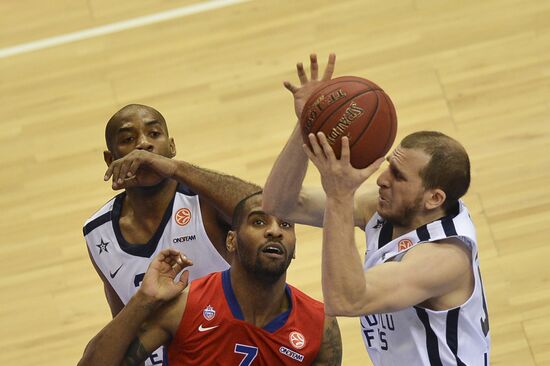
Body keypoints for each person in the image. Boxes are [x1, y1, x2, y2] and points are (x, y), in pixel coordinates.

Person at [263, 54, 491, 365]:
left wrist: (339, 196)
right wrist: (308, 124)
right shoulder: (387, 206)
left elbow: (346, 299)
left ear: (434, 198)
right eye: (389, 167)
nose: (382, 180)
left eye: (398, 176)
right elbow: (281, 203)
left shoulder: (444, 258)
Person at [83, 103, 260, 365]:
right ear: (111, 160)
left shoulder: (205, 201)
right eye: (128, 139)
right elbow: (122, 325)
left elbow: (266, 209)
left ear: (172, 147)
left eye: (154, 134)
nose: (143, 144)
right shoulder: (98, 232)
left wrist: (176, 169)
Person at [78, 192, 343, 366]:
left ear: (294, 249)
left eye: (286, 225)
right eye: (259, 222)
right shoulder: (183, 307)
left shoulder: (320, 327)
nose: (274, 231)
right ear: (231, 240)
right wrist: (143, 300)